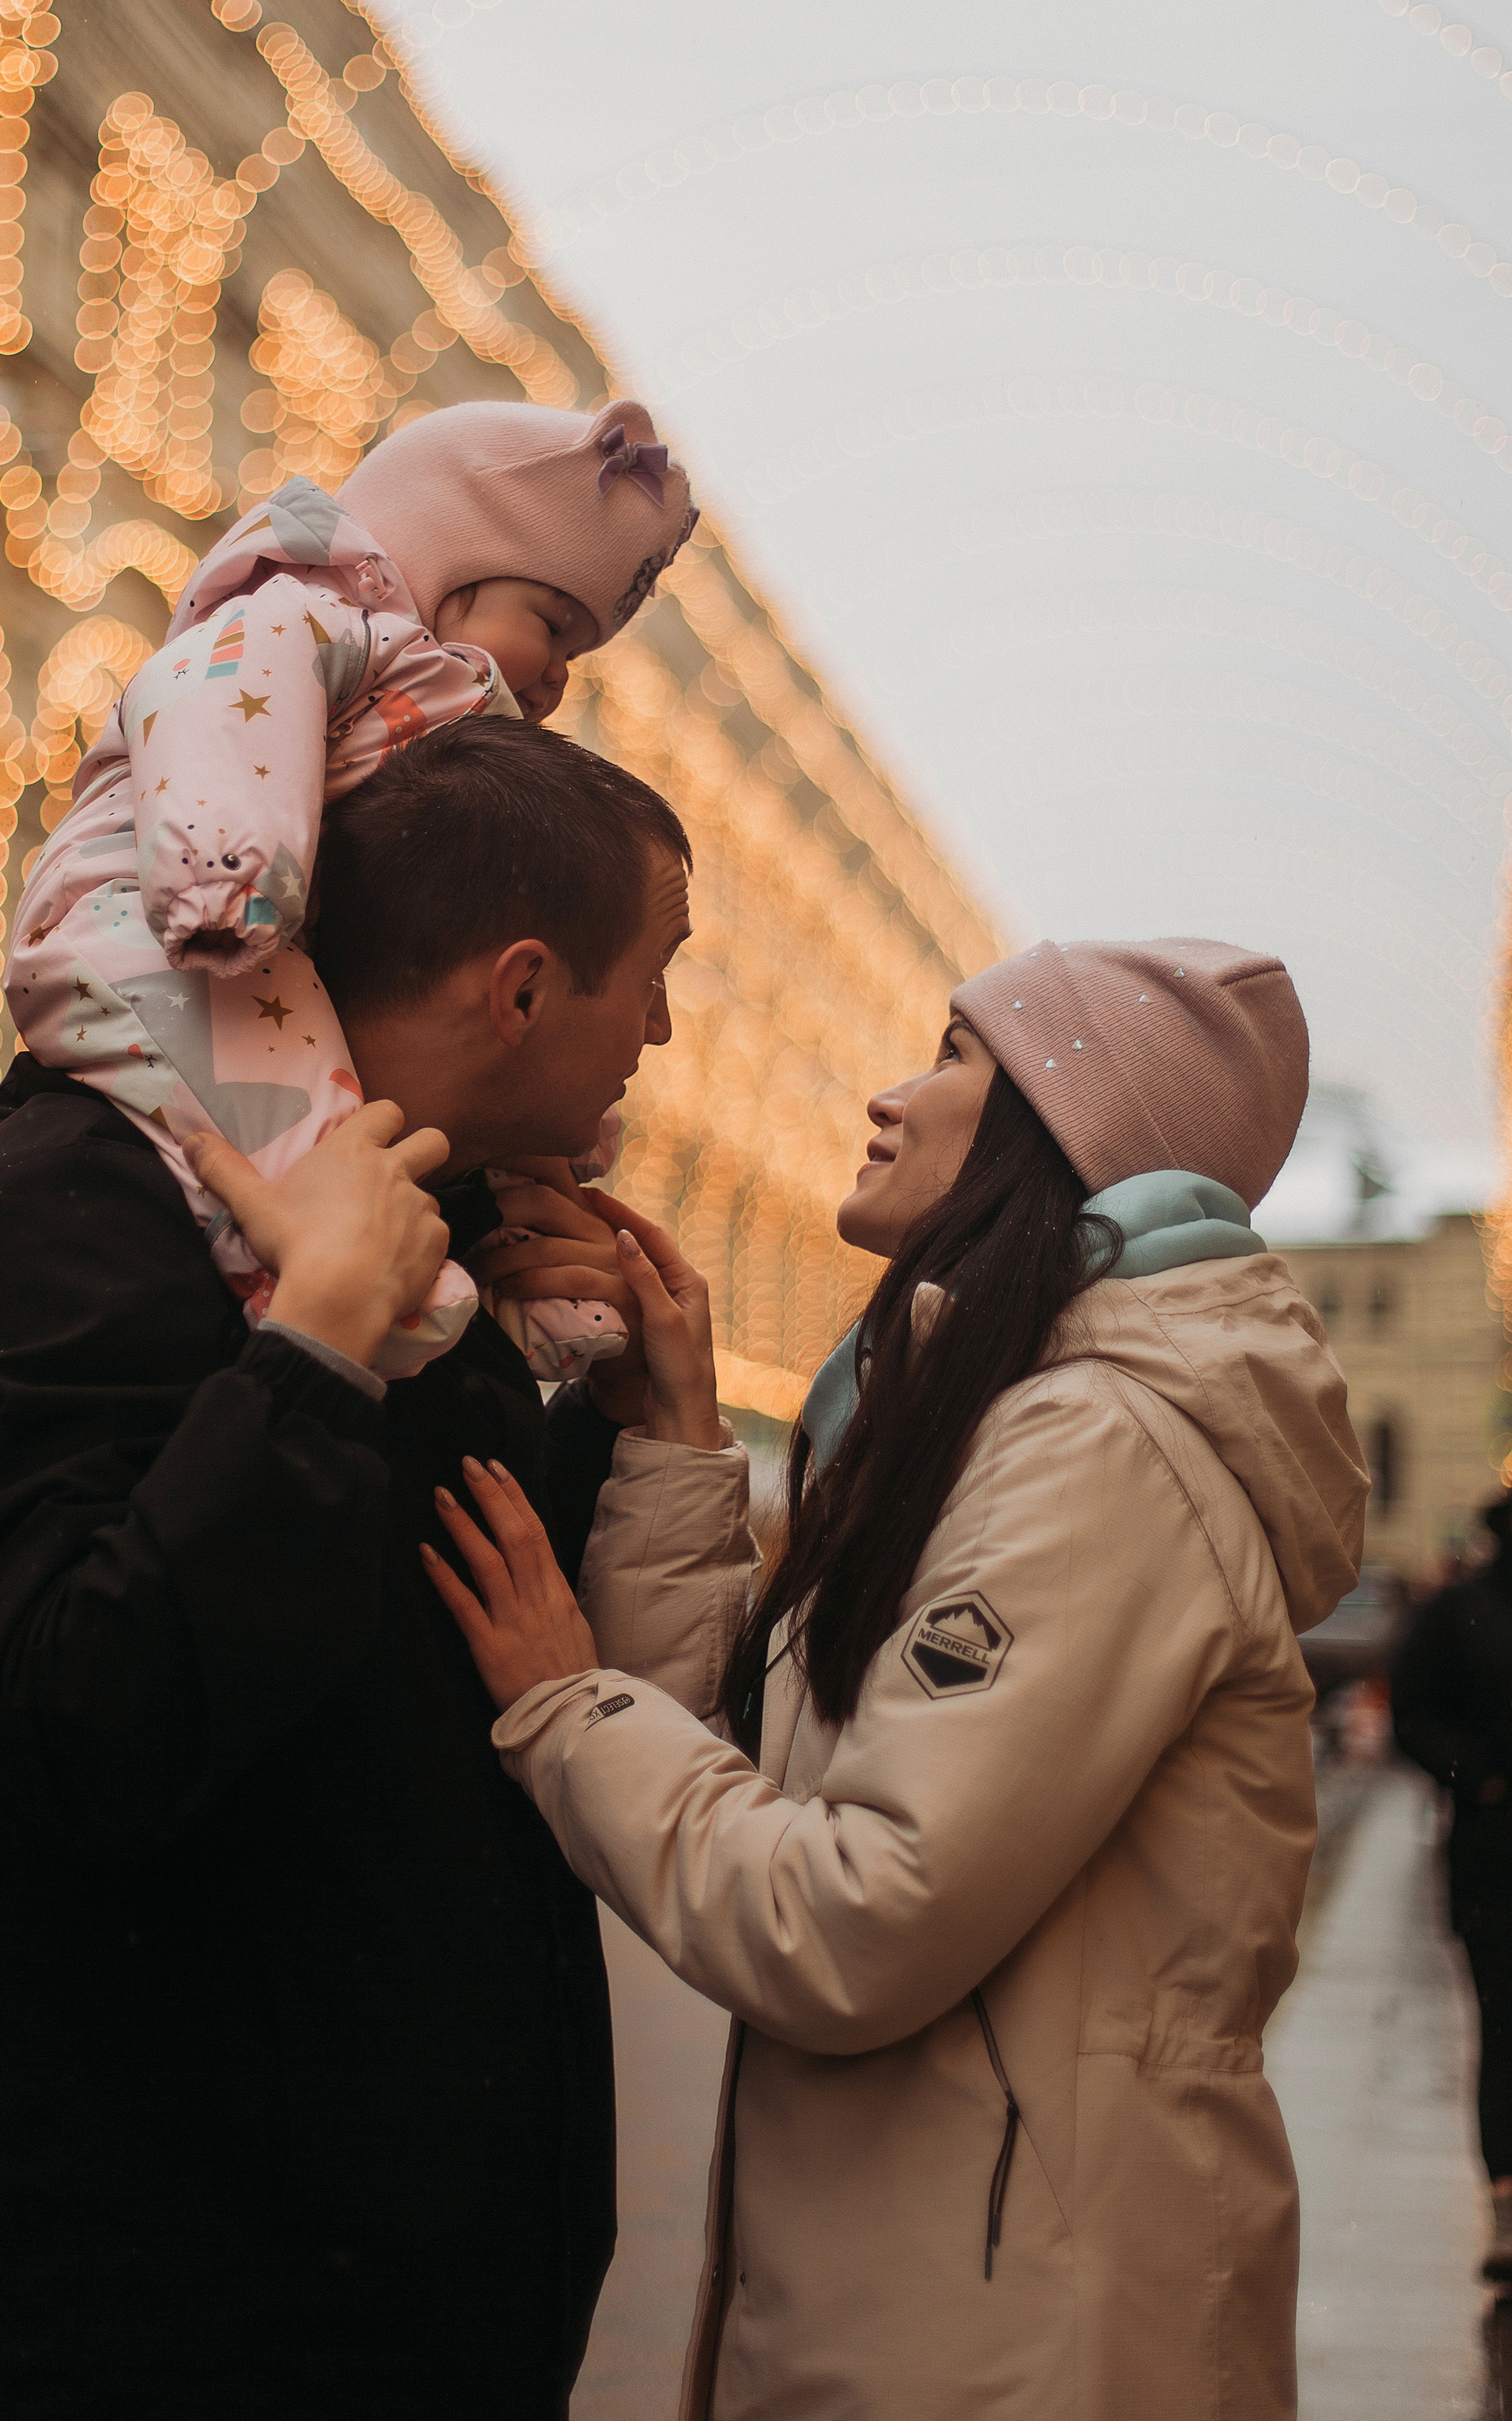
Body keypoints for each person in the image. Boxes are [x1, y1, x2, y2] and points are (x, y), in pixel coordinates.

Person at [0, 716, 754, 2421]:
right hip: (180, 2321)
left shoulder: (452, 1269)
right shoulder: (73, 1202)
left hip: (412, 2308)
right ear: (517, 986)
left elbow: (534, 1713)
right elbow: (76, 1716)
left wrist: (654, 1417)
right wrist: (314, 1352)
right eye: (653, 974)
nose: (659, 1027)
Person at [425, 937, 1370, 2421]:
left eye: (947, 1057)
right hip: (935, 2298)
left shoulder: (1097, 1456)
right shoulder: (989, 1426)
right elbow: (744, 1781)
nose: (888, 1097)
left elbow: (848, 1916)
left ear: (1060, 1133)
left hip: (1022, 2343)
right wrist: (676, 1429)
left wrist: (564, 1703)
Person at [5, 397, 696, 1381]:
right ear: (450, 563)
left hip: (259, 928)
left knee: (407, 1090)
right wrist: (226, 866)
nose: (556, 681)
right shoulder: (301, 618)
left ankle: (548, 1286)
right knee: (278, 1097)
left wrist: (561, 1111)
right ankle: (356, 1288)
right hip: (154, 915)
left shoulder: (424, 688)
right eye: (550, 626)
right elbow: (206, 703)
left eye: (576, 655)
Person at [1391, 1495, 1512, 2281]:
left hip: (1484, 1849)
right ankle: (1505, 2206)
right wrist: (1480, 1778)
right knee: (1502, 2029)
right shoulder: (1456, 1613)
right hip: (1492, 1854)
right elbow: (1412, 1718)